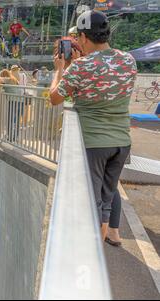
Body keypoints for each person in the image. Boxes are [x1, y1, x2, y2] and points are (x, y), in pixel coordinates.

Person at [49, 10, 137, 242]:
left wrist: (60, 68)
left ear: (85, 38)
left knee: (91, 202)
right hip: (121, 142)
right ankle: (102, 245)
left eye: (78, 38)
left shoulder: (80, 67)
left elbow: (54, 98)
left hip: (93, 144)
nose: (77, 42)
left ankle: (91, 253)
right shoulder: (128, 60)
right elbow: (106, 79)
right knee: (106, 200)